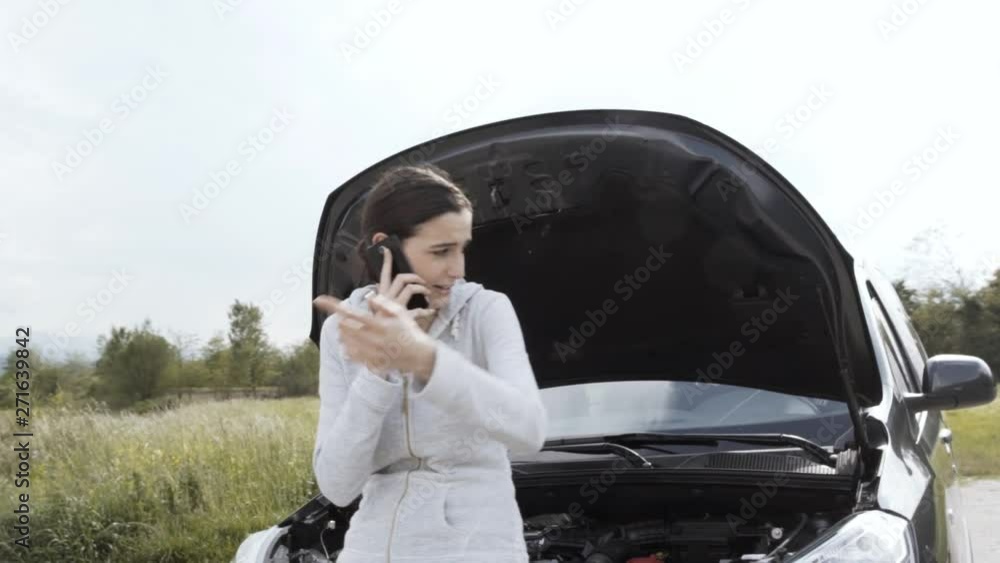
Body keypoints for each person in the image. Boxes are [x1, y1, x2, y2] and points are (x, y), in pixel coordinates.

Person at [310, 164, 548, 563]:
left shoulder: (487, 310)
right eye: (441, 251)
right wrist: (378, 370)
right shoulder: (341, 330)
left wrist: (424, 359)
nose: (458, 269)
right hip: (372, 549)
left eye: (461, 249)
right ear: (385, 249)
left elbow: (529, 430)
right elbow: (337, 486)